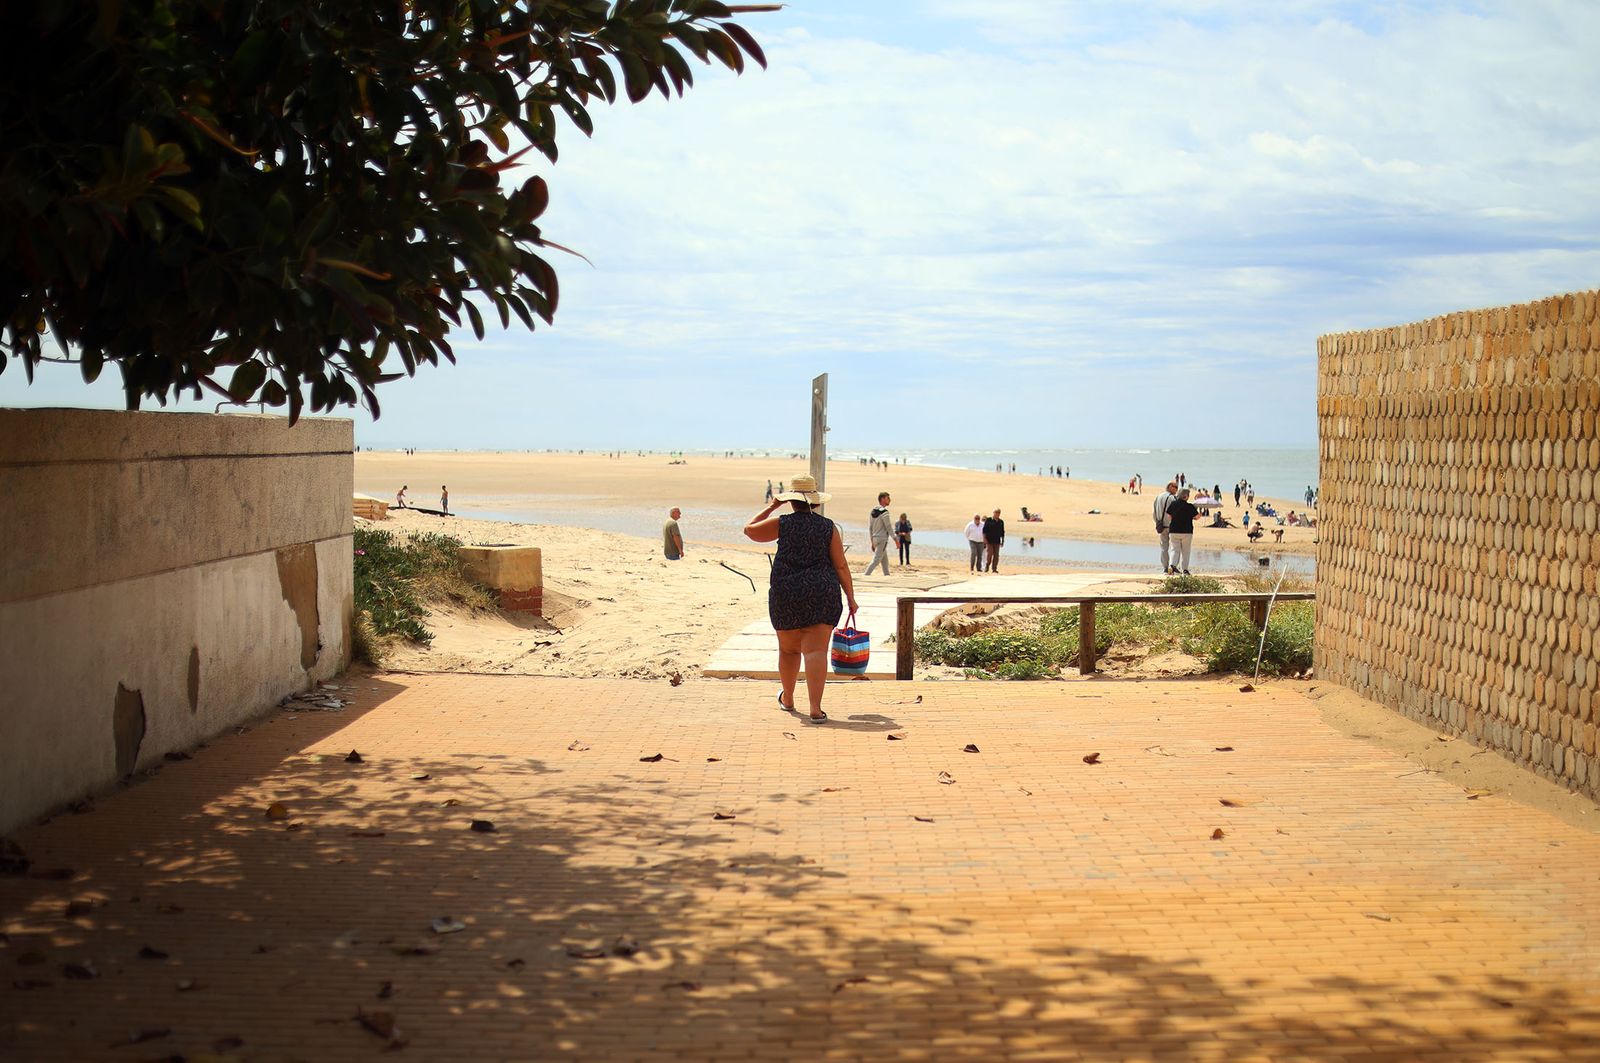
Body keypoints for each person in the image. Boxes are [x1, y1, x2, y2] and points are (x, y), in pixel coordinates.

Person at [743, 476, 857, 724]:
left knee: (788, 649)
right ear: (815, 502)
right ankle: (816, 708)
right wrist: (850, 596)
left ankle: (789, 699)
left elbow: (749, 529)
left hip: (787, 592)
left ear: (791, 502)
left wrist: (773, 506)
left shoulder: (782, 524)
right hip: (822, 592)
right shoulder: (828, 527)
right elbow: (840, 564)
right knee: (816, 651)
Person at [1166, 487, 1199, 576]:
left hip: (1174, 530)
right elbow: (1196, 517)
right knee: (1186, 551)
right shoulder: (1190, 506)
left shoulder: (1173, 504)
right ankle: (1184, 569)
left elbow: (1168, 515)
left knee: (1174, 549)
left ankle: (1172, 566)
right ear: (1186, 496)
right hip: (1186, 531)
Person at [863, 492, 894, 575]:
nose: (889, 500)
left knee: (884, 561)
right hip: (882, 539)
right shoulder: (884, 512)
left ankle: (887, 575)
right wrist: (896, 539)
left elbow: (870, 527)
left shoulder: (873, 511)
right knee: (876, 560)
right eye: (888, 498)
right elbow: (888, 527)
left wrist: (872, 541)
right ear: (882, 499)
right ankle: (866, 575)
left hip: (875, 538)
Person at [1153, 481, 1178, 574]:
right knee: (1174, 547)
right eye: (1175, 487)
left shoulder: (1158, 497)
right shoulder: (1173, 498)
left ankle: (1165, 567)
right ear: (1170, 487)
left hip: (1161, 526)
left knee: (1164, 548)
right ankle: (1172, 566)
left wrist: (1157, 522)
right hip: (1171, 526)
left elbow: (1154, 512)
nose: (1176, 489)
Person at [982, 508, 1005, 573]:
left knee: (996, 555)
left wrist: (1002, 541)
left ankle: (994, 568)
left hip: (997, 541)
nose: (997, 514)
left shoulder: (1001, 522)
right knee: (990, 554)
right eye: (996, 512)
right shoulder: (989, 520)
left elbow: (1002, 532)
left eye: (998, 513)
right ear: (993, 513)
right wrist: (984, 539)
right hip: (989, 541)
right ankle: (987, 566)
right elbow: (984, 530)